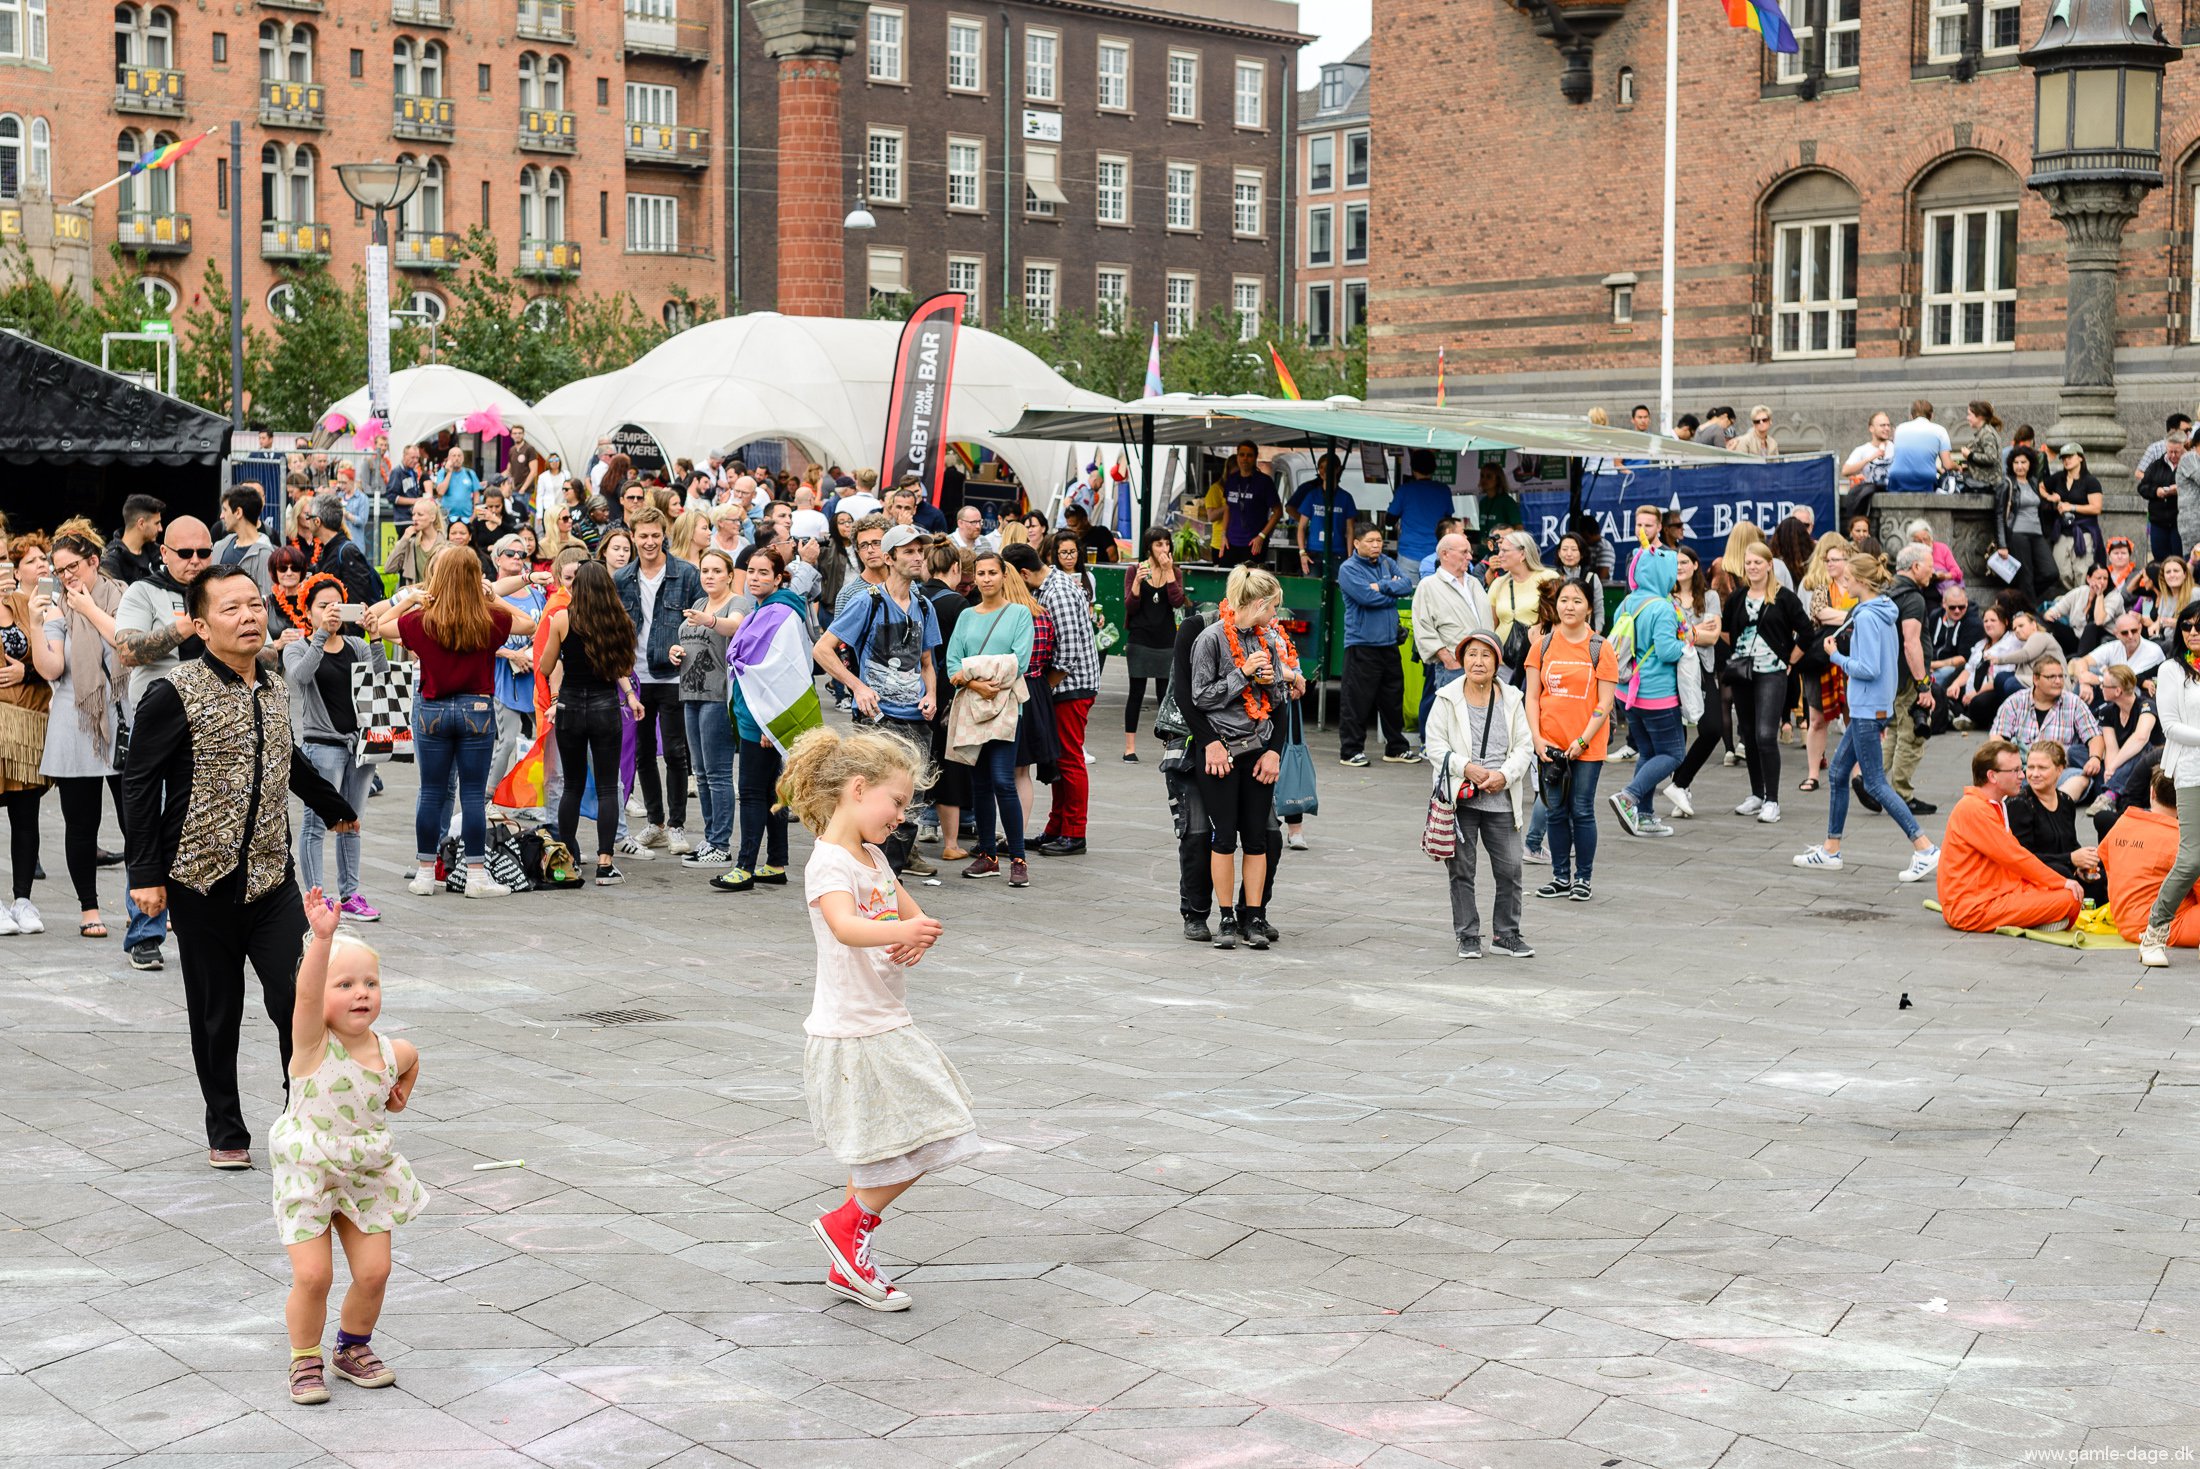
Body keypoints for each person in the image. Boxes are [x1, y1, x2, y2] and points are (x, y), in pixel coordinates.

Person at [122, 566, 359, 1168]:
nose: (250, 616)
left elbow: (286, 757)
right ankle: (226, 1129)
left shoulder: (275, 684)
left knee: (298, 999)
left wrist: (333, 806)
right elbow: (140, 785)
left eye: (255, 605)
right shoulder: (173, 693)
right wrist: (145, 874)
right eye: (231, 609)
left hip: (271, 880)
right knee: (216, 1011)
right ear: (200, 626)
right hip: (200, 880)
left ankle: (301, 1115)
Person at [782, 724, 972, 1313]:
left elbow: (909, 913)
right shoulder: (829, 863)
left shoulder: (872, 857)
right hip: (856, 1028)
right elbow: (845, 925)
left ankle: (849, 1259)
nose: (901, 814)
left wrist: (921, 934)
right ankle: (848, 1223)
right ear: (857, 790)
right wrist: (899, 930)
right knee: (943, 1126)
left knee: (878, 1150)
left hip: (881, 1019)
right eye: (896, 801)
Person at [274, 888, 427, 1406]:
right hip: (309, 1169)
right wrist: (321, 941)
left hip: (366, 1170)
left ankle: (352, 1348)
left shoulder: (388, 1050)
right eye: (347, 984)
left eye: (370, 983)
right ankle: (304, 1359)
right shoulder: (313, 1045)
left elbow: (410, 1057)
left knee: (374, 1272)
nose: (361, 992)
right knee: (314, 1275)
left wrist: (401, 1094)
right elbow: (308, 998)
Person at [368, 547, 534, 898]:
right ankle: (476, 875)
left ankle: (426, 873)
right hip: (476, 707)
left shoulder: (422, 620)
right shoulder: (488, 618)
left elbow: (381, 627)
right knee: (472, 795)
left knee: (431, 791)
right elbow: (528, 624)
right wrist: (493, 597)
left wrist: (410, 599)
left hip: (432, 709)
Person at [1792, 552, 1943, 882]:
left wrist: (1837, 657)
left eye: (1846, 578)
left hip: (1866, 708)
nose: (1842, 582)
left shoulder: (1869, 617)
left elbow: (1869, 668)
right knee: (1839, 775)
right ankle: (1831, 849)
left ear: (1861, 581)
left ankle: (1925, 847)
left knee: (1874, 781)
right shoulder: (1881, 611)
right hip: (1870, 707)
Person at [112, 515, 219, 970]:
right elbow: (127, 650)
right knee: (148, 825)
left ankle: (207, 923)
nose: (196, 562)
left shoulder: (224, 591)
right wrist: (184, 628)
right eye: (186, 553)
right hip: (158, 726)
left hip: (215, 725)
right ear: (165, 552)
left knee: (211, 823)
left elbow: (265, 650)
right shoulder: (143, 592)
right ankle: (145, 931)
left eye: (204, 553)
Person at [817, 522, 944, 873]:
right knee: (874, 801)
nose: (918, 557)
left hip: (916, 718)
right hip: (878, 720)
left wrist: (931, 693)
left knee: (909, 804)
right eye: (909, 551)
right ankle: (867, 873)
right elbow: (823, 650)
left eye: (920, 551)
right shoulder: (866, 601)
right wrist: (857, 686)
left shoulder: (923, 604)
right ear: (889, 558)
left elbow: (927, 662)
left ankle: (893, 878)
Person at [1189, 567, 1294, 950]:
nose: (1276, 618)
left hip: (1257, 748)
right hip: (1223, 753)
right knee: (1223, 836)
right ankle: (1226, 916)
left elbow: (1280, 699)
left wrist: (1269, 684)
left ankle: (1255, 915)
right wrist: (1242, 674)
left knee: (1257, 837)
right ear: (1261, 603)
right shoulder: (1211, 638)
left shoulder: (1266, 639)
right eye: (1274, 609)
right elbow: (1201, 697)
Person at [27, 530, 125, 939]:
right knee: (81, 824)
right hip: (76, 722)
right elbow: (51, 669)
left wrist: (89, 609)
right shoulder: (56, 609)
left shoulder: (124, 596)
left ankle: (148, 901)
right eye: (60, 569)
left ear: (94, 562)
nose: (67, 576)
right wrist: (36, 623)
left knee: (138, 822)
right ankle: (89, 907)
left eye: (74, 566)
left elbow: (129, 646)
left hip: (123, 722)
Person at [1425, 629, 1535, 959]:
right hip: (1460, 798)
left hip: (1501, 797)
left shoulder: (1513, 698)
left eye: (1486, 655)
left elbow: (1524, 746)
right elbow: (1435, 746)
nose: (1478, 661)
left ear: (1497, 662)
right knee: (1462, 870)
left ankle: (1506, 933)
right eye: (1472, 654)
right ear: (1462, 659)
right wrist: (1466, 767)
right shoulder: (1446, 697)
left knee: (1511, 869)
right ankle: (1468, 934)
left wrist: (1504, 775)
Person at [283, 580, 383, 923]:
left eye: (338, 604)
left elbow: (380, 679)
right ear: (308, 611)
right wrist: (321, 636)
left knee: (352, 822)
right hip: (322, 747)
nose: (332, 611)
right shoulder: (297, 648)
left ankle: (350, 894)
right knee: (316, 824)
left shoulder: (356, 645)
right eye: (323, 605)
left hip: (360, 747)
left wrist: (377, 636)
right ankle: (316, 895)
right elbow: (301, 677)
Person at [538, 561, 641, 885]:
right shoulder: (619, 622)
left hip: (570, 706)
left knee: (572, 784)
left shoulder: (562, 619)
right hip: (604, 707)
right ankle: (605, 862)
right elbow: (622, 666)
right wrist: (629, 695)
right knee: (609, 786)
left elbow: (545, 664)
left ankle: (568, 858)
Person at [611, 508, 702, 856]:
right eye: (643, 535)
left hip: (673, 674)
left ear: (664, 535)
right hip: (635, 676)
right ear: (633, 537)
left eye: (655, 535)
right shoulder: (623, 578)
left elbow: (697, 621)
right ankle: (656, 822)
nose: (649, 542)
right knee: (643, 754)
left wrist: (686, 650)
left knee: (677, 752)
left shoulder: (685, 574)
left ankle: (677, 825)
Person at [944, 549, 1036, 885]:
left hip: (1006, 708)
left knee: (1002, 779)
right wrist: (973, 680)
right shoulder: (966, 616)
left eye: (992, 573)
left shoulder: (1019, 615)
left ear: (1003, 576)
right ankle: (986, 854)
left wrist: (974, 674)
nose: (986, 579)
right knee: (979, 783)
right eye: (980, 574)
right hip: (972, 707)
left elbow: (1017, 663)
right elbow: (952, 663)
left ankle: (1018, 858)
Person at [1524, 579, 1616, 900]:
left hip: (1587, 746)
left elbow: (1604, 703)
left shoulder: (1600, 647)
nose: (1569, 607)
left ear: (1589, 607)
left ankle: (1583, 879)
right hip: (1549, 744)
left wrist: (1582, 740)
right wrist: (1536, 738)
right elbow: (1532, 697)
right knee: (1555, 811)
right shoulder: (1543, 646)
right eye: (1564, 600)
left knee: (1582, 810)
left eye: (1577, 601)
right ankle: (1560, 876)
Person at [1936, 738, 2087, 934]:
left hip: (1995, 892)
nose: (2022, 775)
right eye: (2015, 770)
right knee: (2069, 897)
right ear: (1992, 776)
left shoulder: (1992, 805)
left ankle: (2039, 916)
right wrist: (2061, 882)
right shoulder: (1973, 808)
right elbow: (2015, 857)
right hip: (1973, 908)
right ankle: (2037, 918)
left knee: (2064, 890)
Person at [1013, 539, 1099, 857]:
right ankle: (1057, 827)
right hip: (1064, 686)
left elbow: (1069, 652)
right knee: (1061, 758)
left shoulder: (1057, 591)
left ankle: (1075, 833)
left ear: (1023, 572)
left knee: (1069, 759)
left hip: (1071, 686)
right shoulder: (1050, 584)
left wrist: (1044, 688)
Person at [1607, 545, 1688, 838]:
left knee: (1649, 751)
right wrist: (1687, 643)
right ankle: (1630, 796)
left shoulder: (1627, 603)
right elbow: (1668, 651)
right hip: (1658, 693)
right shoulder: (1663, 607)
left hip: (1627, 691)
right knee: (1674, 753)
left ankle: (1645, 816)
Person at [671, 547, 744, 869]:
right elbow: (690, 641)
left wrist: (710, 620)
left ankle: (721, 843)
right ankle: (710, 837)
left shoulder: (737, 602)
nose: (710, 576)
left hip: (719, 696)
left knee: (717, 774)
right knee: (700, 774)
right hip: (690, 693)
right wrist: (676, 650)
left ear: (729, 575)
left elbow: (735, 627)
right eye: (705, 571)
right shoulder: (699, 603)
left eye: (716, 571)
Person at [1725, 542, 1808, 823]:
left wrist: (1789, 661)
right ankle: (1756, 794)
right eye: (1748, 563)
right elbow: (1727, 632)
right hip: (1742, 673)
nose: (1752, 567)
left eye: (1758, 562)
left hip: (1772, 672)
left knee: (1764, 734)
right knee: (1747, 734)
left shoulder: (1784, 598)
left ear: (1769, 565)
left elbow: (1807, 633)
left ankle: (1772, 799)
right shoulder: (1736, 598)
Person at [2141, 604, 2200, 964]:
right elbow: (2171, 727)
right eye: (2187, 626)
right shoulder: (2171, 669)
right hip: (2192, 771)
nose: (2193, 632)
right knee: (2192, 857)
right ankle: (2154, 932)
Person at [1335, 523, 1414, 767]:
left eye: (1379, 540)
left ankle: (1396, 748)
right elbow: (1366, 598)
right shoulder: (1348, 569)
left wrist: (1382, 585)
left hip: (1388, 643)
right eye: (1370, 541)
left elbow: (1407, 584)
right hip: (1362, 644)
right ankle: (1350, 751)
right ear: (1356, 543)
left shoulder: (1387, 563)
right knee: (1357, 700)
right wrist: (1391, 590)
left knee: (1392, 698)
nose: (1376, 545)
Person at [1660, 544, 1727, 820]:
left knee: (1713, 728)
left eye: (1685, 561)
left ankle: (1679, 783)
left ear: (1696, 565)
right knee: (1679, 734)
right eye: (1675, 562)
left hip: (1703, 669)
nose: (1680, 566)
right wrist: (1696, 631)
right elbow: (1669, 638)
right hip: (1672, 670)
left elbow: (1713, 637)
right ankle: (1682, 791)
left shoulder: (1709, 597)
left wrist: (1684, 632)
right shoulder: (1666, 598)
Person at [1411, 532, 1496, 736]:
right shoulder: (1429, 585)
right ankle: (1449, 766)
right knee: (1453, 726)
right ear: (1445, 554)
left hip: (1483, 665)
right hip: (1454, 667)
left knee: (1480, 723)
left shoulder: (1474, 583)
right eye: (1464, 552)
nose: (1470, 557)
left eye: (1470, 552)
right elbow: (1424, 628)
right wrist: (1448, 659)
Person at [2006, 739, 2107, 905]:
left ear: (2060, 770)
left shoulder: (2066, 801)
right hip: (2034, 875)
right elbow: (2023, 859)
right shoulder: (2020, 804)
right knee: (2061, 873)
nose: (2034, 774)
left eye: (2042, 768)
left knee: (2101, 872)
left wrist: (2083, 863)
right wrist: (2071, 859)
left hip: (2064, 868)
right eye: (2030, 767)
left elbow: (2070, 844)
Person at [1990, 655, 2104, 801]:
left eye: (2061, 676)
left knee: (2080, 779)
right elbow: (1997, 738)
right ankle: (2025, 802)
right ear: (2036, 679)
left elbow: (2094, 735)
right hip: (2023, 771)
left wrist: (2094, 758)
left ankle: (2053, 807)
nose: (2058, 681)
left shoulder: (2074, 703)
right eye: (2051, 677)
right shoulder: (2015, 702)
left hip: (2058, 771)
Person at [1122, 526, 1184, 762]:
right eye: (1159, 544)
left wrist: (1169, 573)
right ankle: (1129, 748)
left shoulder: (1174, 572)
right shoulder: (1134, 570)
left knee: (1164, 694)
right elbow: (1130, 607)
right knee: (1135, 693)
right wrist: (1137, 583)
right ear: (1149, 546)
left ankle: (1168, 746)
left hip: (1166, 640)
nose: (1164, 549)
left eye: (1167, 544)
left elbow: (1177, 602)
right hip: (1140, 639)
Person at [1996, 444, 2057, 606]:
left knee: (2051, 572)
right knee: (2026, 576)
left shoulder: (2034, 482)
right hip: (2017, 534)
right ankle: (2030, 613)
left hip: (2037, 533)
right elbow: (1999, 515)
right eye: (2016, 462)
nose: (2020, 466)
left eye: (2023, 462)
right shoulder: (2007, 483)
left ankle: (2020, 598)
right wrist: (2002, 544)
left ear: (2030, 464)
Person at [2043, 443, 2106, 582]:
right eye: (2064, 457)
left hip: (2083, 532)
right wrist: (2050, 497)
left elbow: (2096, 508)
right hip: (2062, 531)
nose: (2066, 460)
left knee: (2082, 571)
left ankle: (2082, 600)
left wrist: (2071, 507)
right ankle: (2071, 600)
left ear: (2080, 458)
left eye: (2070, 456)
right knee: (2060, 571)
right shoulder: (2058, 478)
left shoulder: (2090, 481)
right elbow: (2040, 485)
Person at [1289, 453, 1357, 576]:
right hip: (1313, 553)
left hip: (1338, 553)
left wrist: (1350, 556)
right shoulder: (1312, 496)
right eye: (1321, 467)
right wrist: (1302, 553)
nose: (1324, 470)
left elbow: (1350, 529)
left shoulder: (1346, 498)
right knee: (1311, 590)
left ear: (1337, 469)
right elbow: (1302, 527)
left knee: (1339, 590)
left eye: (1328, 467)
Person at [1216, 442, 1282, 567]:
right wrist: (1223, 535)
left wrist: (1262, 536)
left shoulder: (1264, 482)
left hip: (1253, 544)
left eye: (1249, 455)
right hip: (1230, 542)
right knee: (1228, 581)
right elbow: (1228, 509)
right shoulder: (1232, 479)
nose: (1245, 458)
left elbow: (1278, 512)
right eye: (1242, 455)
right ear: (1237, 457)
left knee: (1251, 583)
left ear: (1255, 457)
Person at [1387, 448, 1455, 569]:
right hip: (1436, 555)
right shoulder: (1443, 490)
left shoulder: (1404, 490)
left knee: (1407, 588)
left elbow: (1389, 520)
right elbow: (1448, 521)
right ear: (1434, 468)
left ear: (1412, 468)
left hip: (1408, 554)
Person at [2076, 613, 2165, 695]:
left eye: (2134, 631)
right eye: (2125, 633)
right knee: (2085, 673)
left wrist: (2099, 679)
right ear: (2116, 634)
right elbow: (2082, 661)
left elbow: (2129, 682)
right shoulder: (2114, 647)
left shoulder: (2153, 651)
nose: (2130, 636)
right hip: (2113, 691)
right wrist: (2084, 681)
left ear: (2140, 628)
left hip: (2136, 695)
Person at [215, 486, 275, 594]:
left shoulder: (266, 555)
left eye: (225, 510)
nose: (221, 516)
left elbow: (267, 601)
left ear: (238, 512)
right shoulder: (220, 546)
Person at [2139, 431, 2186, 564]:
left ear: (2183, 447)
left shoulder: (2190, 464)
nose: (2173, 455)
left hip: (2180, 521)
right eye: (2170, 451)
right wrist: (2156, 491)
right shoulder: (2156, 465)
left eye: (2177, 452)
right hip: (2158, 520)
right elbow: (2142, 487)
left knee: (2179, 558)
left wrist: (2180, 489)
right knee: (2160, 559)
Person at [1887, 400, 1951, 495]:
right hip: (1925, 478)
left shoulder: (1900, 428)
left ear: (1911, 416)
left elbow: (1907, 458)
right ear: (1932, 415)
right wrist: (1958, 466)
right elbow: (1947, 464)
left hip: (1898, 476)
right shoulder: (1940, 430)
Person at [102, 494, 166, 585]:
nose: (160, 529)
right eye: (157, 523)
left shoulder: (158, 553)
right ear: (141, 524)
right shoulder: (111, 561)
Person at [1551, 532, 1604, 632]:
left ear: (1582, 553)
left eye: (1574, 549)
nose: (1569, 554)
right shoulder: (1552, 577)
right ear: (1559, 553)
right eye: (1565, 549)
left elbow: (1598, 610)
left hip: (1586, 634)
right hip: (1558, 634)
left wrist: (1596, 632)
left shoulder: (1591, 578)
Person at [434, 448, 480, 523]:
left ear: (463, 458)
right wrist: (449, 472)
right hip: (447, 518)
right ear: (448, 458)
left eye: (459, 456)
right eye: (454, 456)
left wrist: (474, 515)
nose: (457, 458)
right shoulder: (442, 473)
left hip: (467, 518)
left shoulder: (470, 473)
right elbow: (440, 492)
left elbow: (476, 495)